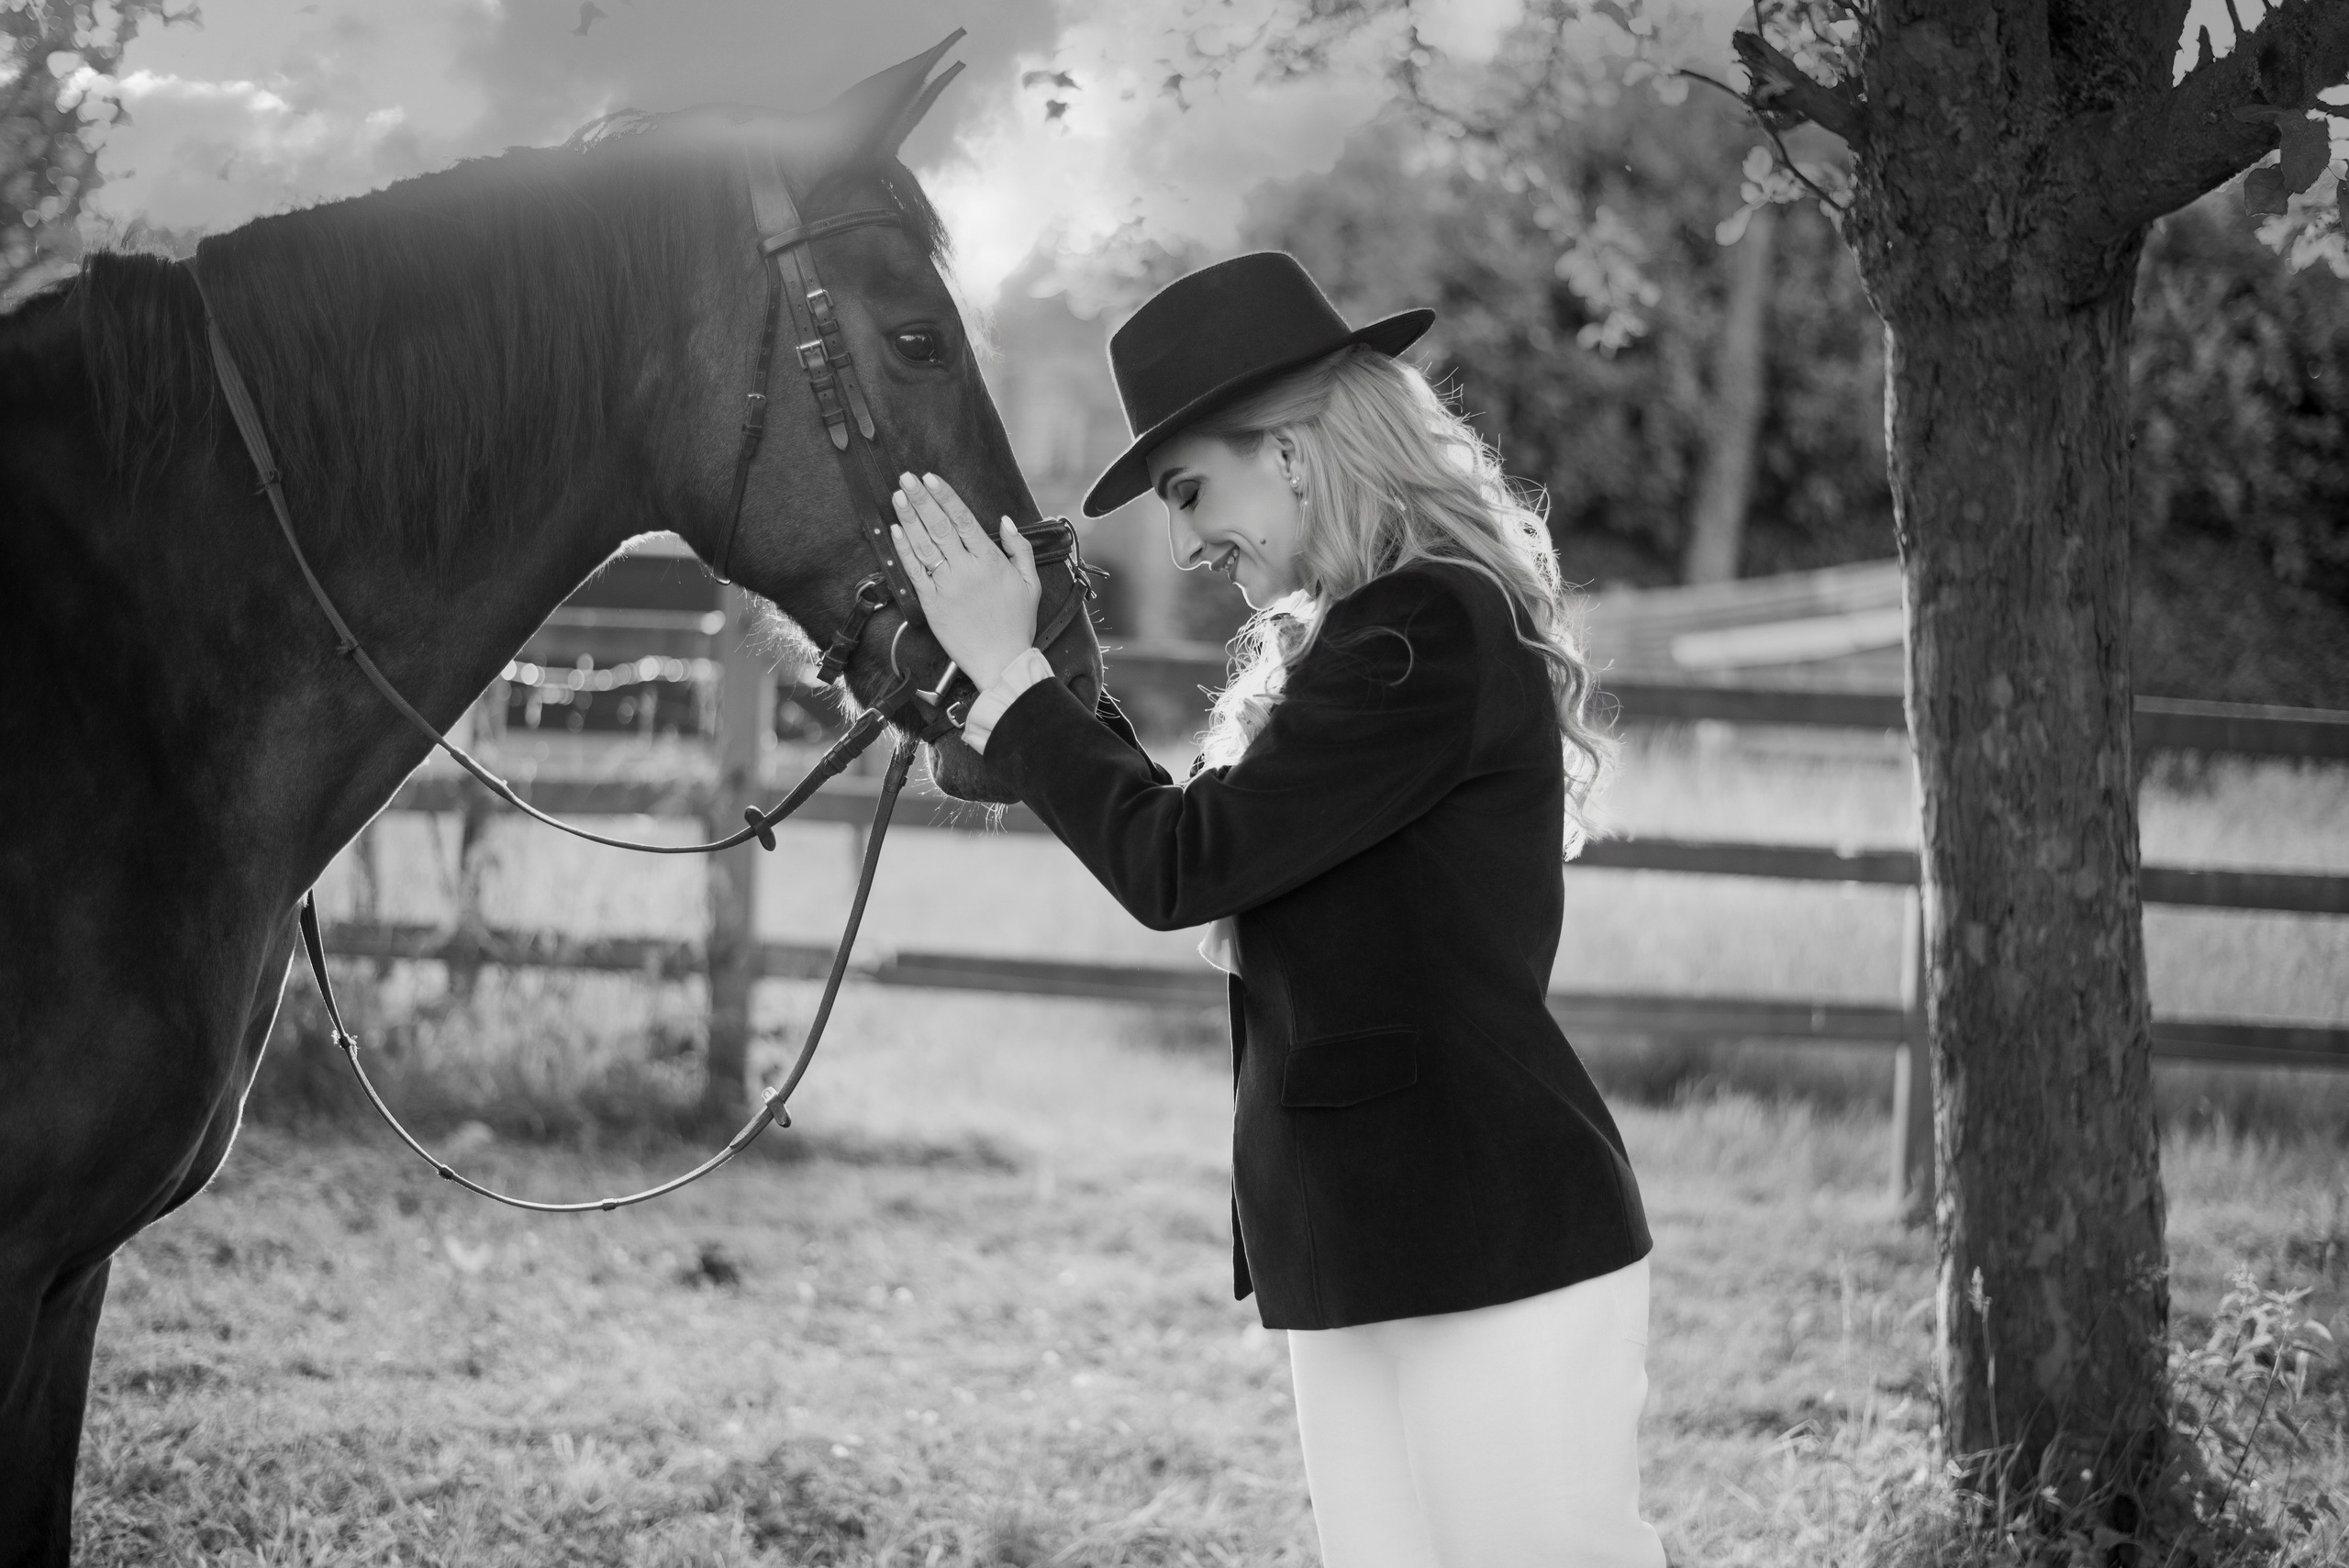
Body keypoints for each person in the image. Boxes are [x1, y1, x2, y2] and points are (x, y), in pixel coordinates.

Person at [886, 250, 1666, 1568]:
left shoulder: (1424, 630)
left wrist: (1013, 672)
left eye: (1193, 490)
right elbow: (1198, 846)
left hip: (1488, 1230)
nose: (1186, 542)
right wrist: (1007, 684)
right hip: (1365, 1237)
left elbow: (1179, 863)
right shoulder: (1366, 639)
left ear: (1295, 453)